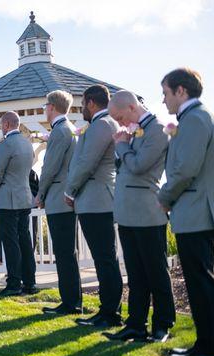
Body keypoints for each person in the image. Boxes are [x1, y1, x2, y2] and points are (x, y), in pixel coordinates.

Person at [158, 68, 214, 356]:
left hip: (198, 211)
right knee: (198, 280)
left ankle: (211, 348)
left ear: (181, 91)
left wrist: (164, 198)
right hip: (195, 210)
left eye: (166, 92)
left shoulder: (195, 120)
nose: (164, 100)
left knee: (200, 281)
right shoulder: (194, 118)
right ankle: (205, 344)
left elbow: (186, 169)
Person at [105, 90, 176, 342]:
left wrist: (122, 146)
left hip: (147, 211)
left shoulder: (157, 129)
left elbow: (138, 165)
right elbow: (122, 166)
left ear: (133, 107)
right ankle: (135, 323)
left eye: (121, 117)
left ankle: (163, 324)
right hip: (127, 211)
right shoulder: (134, 130)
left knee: (155, 271)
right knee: (134, 273)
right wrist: (122, 147)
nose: (120, 123)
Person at [65, 84, 123, 328]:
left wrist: (70, 190)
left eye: (82, 105)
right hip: (95, 200)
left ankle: (110, 312)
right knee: (104, 258)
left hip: (97, 200)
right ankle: (108, 310)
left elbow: (88, 162)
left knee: (104, 258)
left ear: (90, 102)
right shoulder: (103, 124)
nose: (81, 111)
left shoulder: (102, 125)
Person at [36, 90, 82, 314]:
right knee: (67, 252)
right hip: (67, 198)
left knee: (64, 254)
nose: (45, 110)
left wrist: (40, 194)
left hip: (58, 198)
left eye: (45, 106)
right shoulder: (71, 129)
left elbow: (50, 168)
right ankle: (72, 300)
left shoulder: (59, 131)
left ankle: (71, 302)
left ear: (52, 107)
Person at [0, 111, 37, 296]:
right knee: (25, 241)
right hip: (25, 197)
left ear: (7, 125)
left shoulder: (6, 144)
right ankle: (30, 282)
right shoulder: (27, 144)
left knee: (10, 243)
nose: (2, 128)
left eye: (2, 125)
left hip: (8, 199)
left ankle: (13, 283)